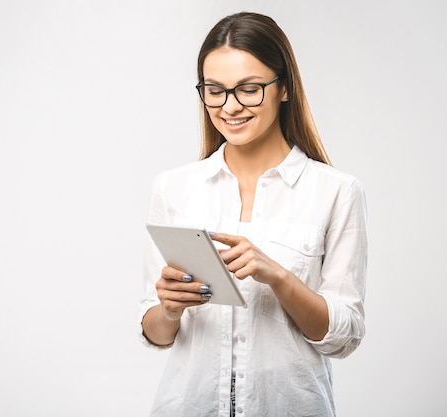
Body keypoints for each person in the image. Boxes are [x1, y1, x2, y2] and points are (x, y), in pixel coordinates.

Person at [138, 11, 367, 417]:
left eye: (249, 89)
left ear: (283, 88)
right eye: (215, 90)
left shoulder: (336, 192)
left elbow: (342, 336)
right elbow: (156, 333)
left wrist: (277, 275)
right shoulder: (173, 188)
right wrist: (169, 309)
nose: (230, 107)